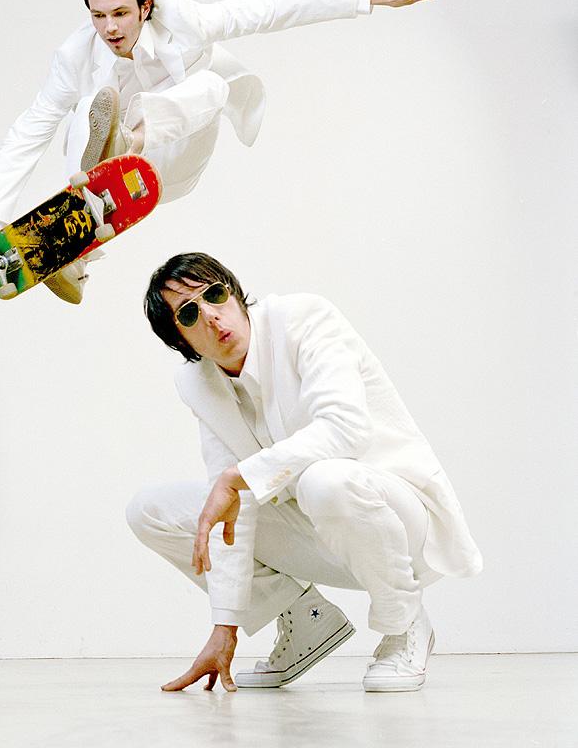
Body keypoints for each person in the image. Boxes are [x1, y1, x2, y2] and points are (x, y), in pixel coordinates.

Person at [0, 0, 442, 303]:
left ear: (146, 7)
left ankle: (127, 140)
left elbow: (272, 8)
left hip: (176, 158)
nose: (109, 29)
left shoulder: (186, 21)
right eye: (98, 16)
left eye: (120, 14)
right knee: (87, 106)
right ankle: (75, 253)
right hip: (112, 177)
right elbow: (30, 130)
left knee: (213, 85)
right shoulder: (75, 54)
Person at [127, 253, 482, 692]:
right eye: (189, 313)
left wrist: (239, 476)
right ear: (182, 341)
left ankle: (404, 623)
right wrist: (225, 625)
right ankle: (304, 619)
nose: (212, 316)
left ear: (234, 293)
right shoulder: (197, 383)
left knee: (324, 480)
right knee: (150, 510)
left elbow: (345, 429)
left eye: (215, 295)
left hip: (401, 523)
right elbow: (232, 512)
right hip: (321, 531)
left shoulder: (303, 318)